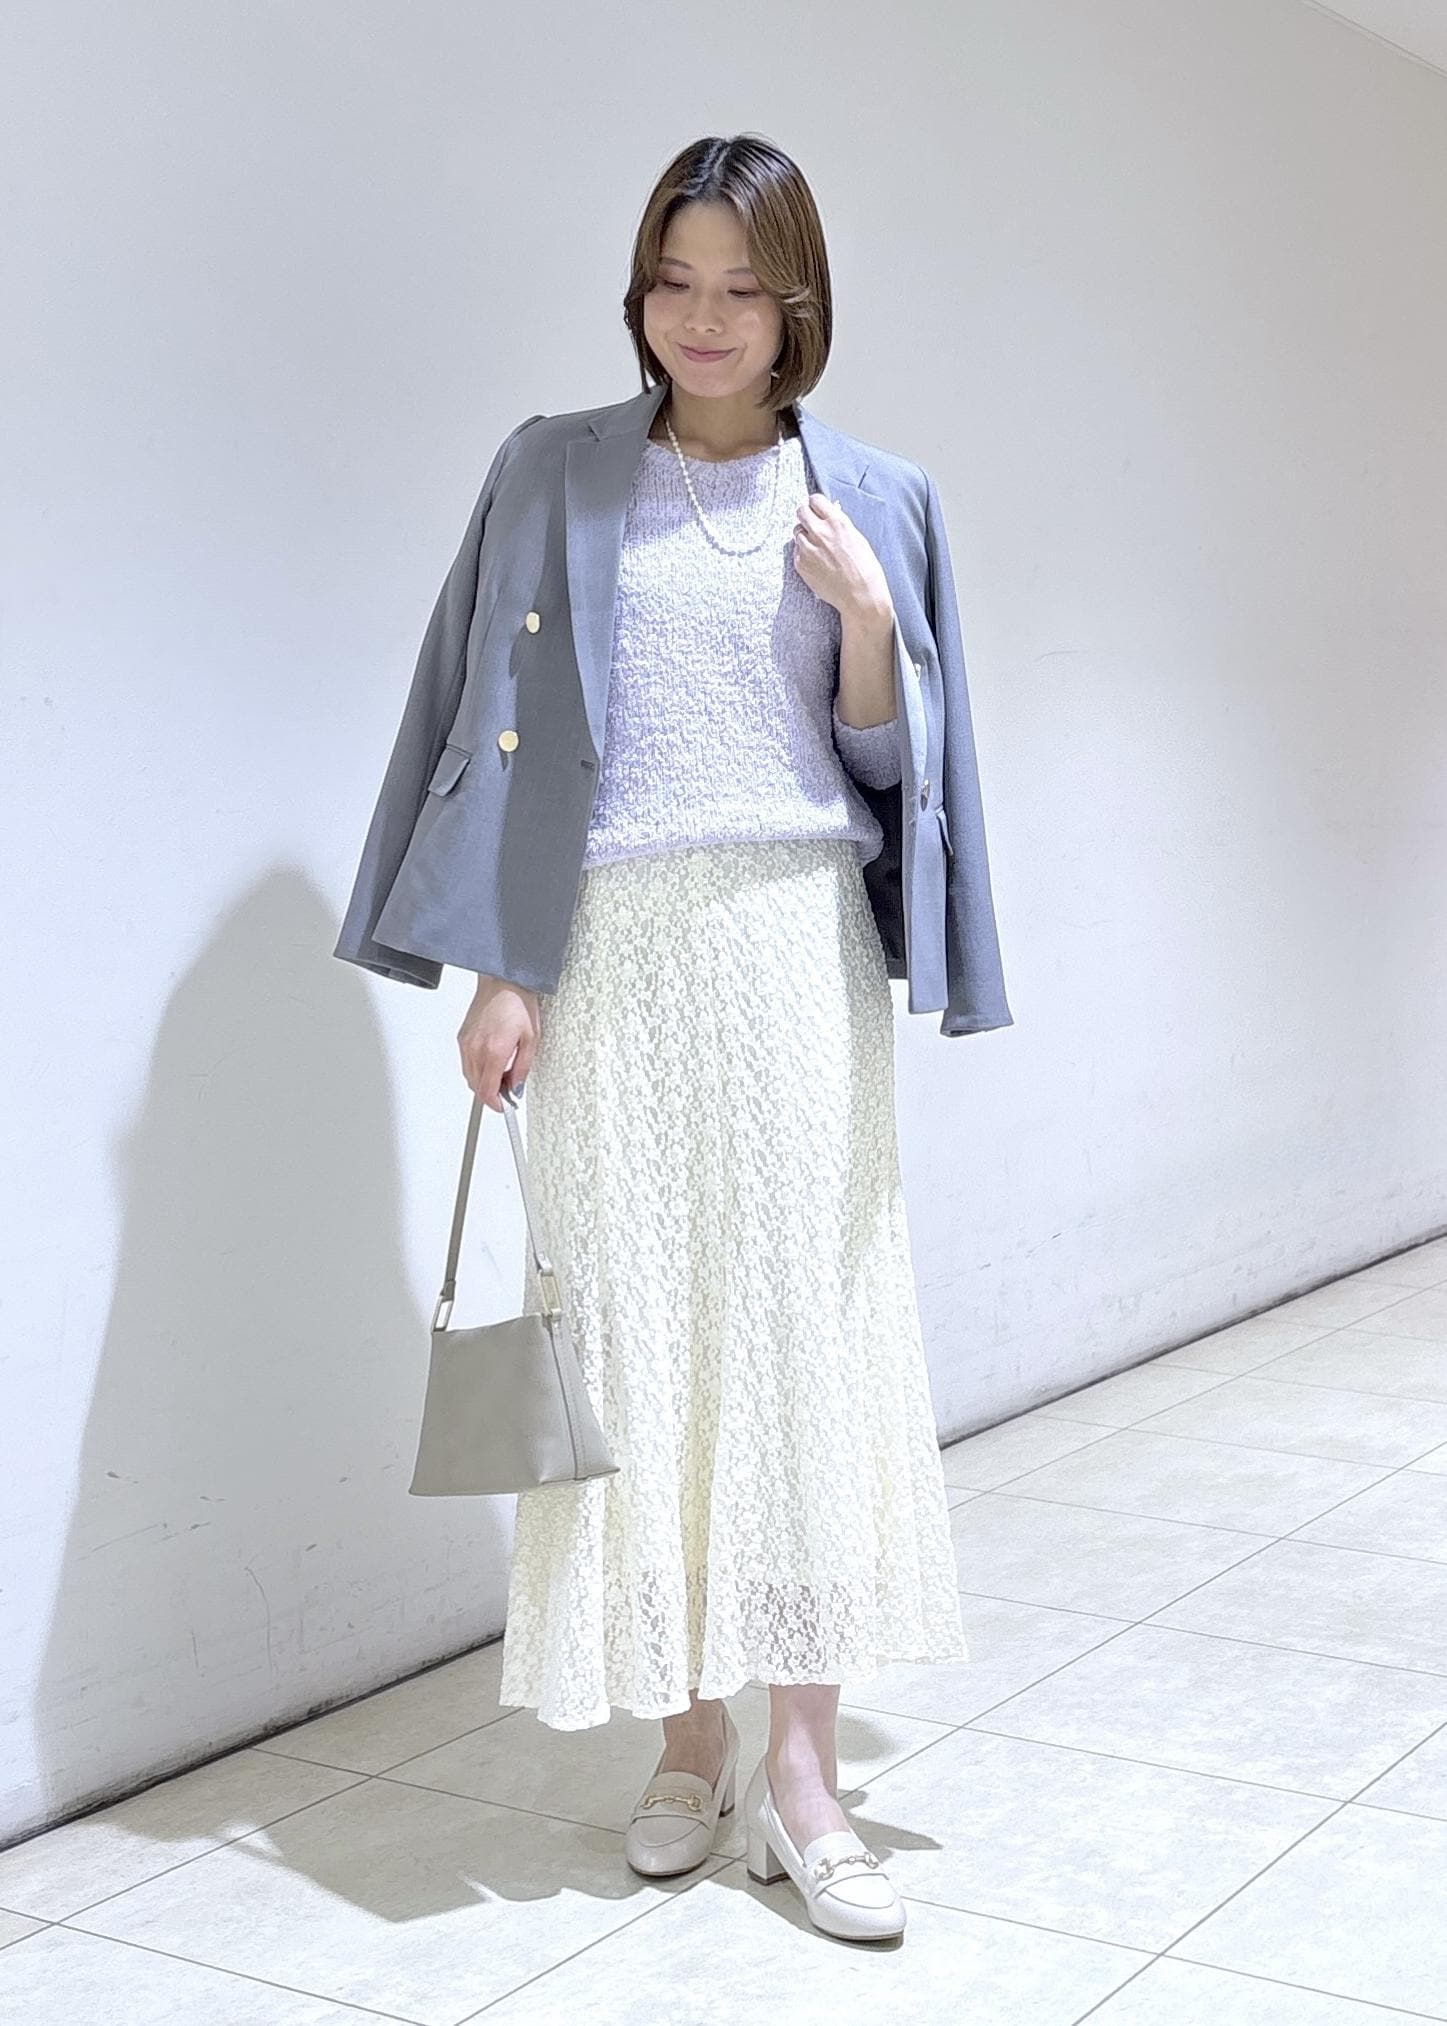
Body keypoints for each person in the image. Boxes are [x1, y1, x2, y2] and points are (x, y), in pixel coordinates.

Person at [344, 133, 1012, 1946]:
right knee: (634, 1342)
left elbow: (887, 765)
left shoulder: (872, 493)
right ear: (640, 287)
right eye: (675, 280)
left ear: (799, 306)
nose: (705, 319)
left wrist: (867, 622)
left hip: (795, 947)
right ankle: (686, 1736)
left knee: (802, 1343)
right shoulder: (553, 470)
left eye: (743, 288)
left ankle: (805, 1775)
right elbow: (489, 711)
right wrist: (502, 970)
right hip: (613, 957)